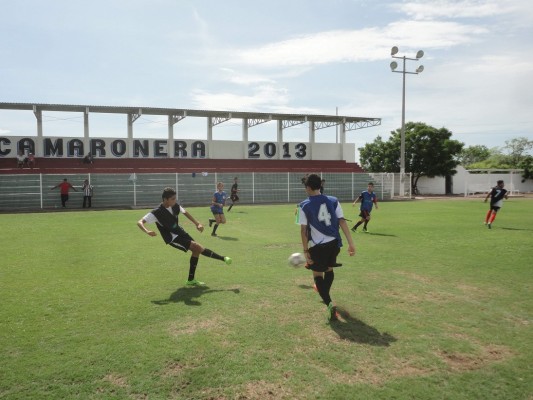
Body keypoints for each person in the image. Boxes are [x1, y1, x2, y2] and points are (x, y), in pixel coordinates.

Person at [137, 187, 232, 286]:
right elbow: (140, 222)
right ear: (165, 199)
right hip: (172, 238)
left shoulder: (175, 206)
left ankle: (191, 280)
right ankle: (223, 258)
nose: (175, 200)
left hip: (180, 232)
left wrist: (197, 224)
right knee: (197, 247)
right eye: (172, 199)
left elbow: (185, 212)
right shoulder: (156, 212)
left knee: (196, 250)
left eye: (175, 198)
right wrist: (147, 231)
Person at [296, 174, 356, 322]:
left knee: (317, 276)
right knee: (329, 270)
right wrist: (351, 243)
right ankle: (324, 293)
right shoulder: (334, 200)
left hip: (318, 246)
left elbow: (303, 231)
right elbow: (342, 222)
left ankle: (329, 304)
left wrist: (306, 251)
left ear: (308, 187)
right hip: (334, 243)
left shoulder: (303, 205)